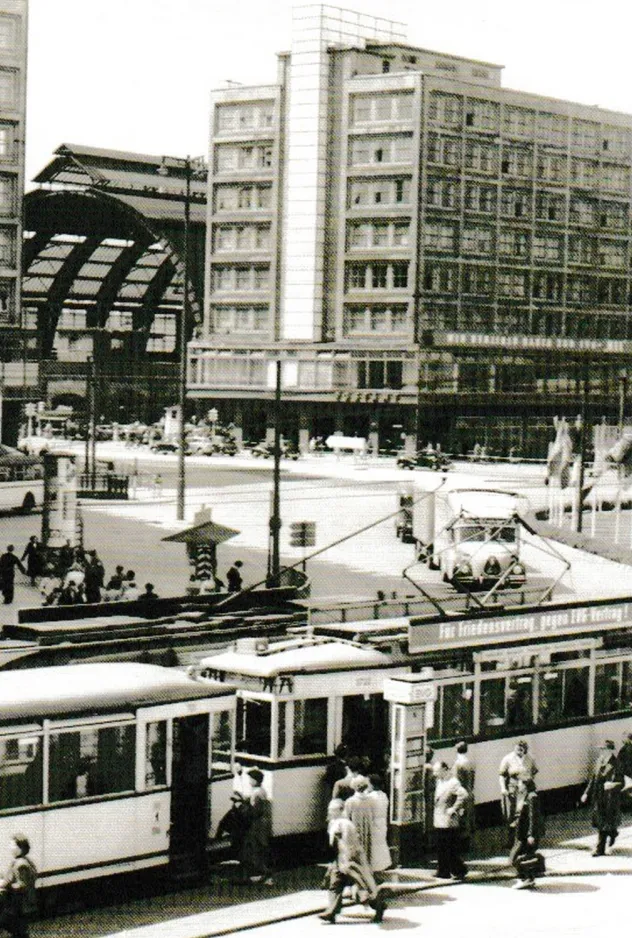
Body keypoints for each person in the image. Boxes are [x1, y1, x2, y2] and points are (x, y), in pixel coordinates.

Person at [319, 799, 386, 924]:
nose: (329, 812)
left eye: (332, 810)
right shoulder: (334, 823)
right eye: (329, 810)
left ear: (340, 810)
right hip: (339, 861)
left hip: (350, 861)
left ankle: (379, 906)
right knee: (334, 886)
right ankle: (331, 913)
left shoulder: (344, 824)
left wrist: (347, 861)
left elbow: (346, 845)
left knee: (362, 889)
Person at [580, 740, 623, 857]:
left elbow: (621, 782)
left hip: (610, 798)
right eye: (601, 749)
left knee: (603, 822)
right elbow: (593, 779)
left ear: (609, 750)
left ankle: (600, 849)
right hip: (598, 796)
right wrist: (586, 793)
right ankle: (612, 832)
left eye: (603, 749)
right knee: (601, 822)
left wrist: (612, 785)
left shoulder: (616, 763)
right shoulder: (599, 761)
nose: (601, 752)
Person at [432, 761, 468, 880]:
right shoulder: (440, 781)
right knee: (441, 846)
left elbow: (463, 794)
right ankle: (443, 871)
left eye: (436, 771)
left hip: (448, 820)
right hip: (439, 817)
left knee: (449, 847)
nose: (434, 773)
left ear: (444, 769)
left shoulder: (453, 782)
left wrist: (454, 808)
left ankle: (459, 870)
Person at [499, 740, 538, 845]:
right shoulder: (507, 759)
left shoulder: (530, 758)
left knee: (526, 813)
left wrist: (529, 780)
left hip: (526, 788)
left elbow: (534, 771)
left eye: (522, 748)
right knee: (512, 815)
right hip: (513, 789)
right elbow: (502, 775)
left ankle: (524, 838)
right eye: (518, 748)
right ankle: (511, 840)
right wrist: (503, 788)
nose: (520, 750)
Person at [0, 833, 37, 937]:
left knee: (9, 924)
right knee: (18, 931)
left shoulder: (21, 865)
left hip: (19, 905)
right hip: (17, 905)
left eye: (12, 845)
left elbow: (22, 886)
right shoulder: (21, 861)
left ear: (20, 848)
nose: (10, 847)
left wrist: (6, 886)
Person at [240, 768, 273, 884]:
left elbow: (253, 811)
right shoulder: (262, 791)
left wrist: (244, 808)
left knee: (252, 849)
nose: (249, 781)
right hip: (262, 825)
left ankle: (261, 873)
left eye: (251, 779)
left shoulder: (256, 793)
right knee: (259, 849)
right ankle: (262, 873)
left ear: (255, 780)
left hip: (256, 826)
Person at [510, 778, 543, 889]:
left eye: (519, 783)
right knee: (524, 856)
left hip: (527, 834)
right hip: (522, 832)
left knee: (516, 857)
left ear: (525, 784)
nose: (518, 785)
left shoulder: (532, 797)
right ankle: (528, 878)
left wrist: (531, 834)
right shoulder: (525, 795)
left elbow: (533, 817)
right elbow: (522, 813)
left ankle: (526, 879)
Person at [344, 778, 374, 864]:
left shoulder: (350, 801)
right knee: (367, 848)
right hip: (367, 828)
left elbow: (346, 817)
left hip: (355, 829)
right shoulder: (370, 799)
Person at [453, 741, 476, 848]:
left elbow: (456, 781)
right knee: (469, 818)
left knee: (461, 818)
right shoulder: (470, 762)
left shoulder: (458, 764)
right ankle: (468, 842)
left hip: (461, 794)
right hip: (470, 792)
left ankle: (462, 844)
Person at [367, 774, 392, 874]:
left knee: (374, 846)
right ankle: (382, 865)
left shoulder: (371, 797)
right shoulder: (383, 795)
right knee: (381, 843)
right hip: (382, 822)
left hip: (374, 822)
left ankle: (374, 867)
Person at [215, 792, 249, 862]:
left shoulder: (242, 811)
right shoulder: (232, 812)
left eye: (237, 801)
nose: (235, 803)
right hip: (233, 836)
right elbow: (222, 824)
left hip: (239, 836)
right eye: (234, 801)